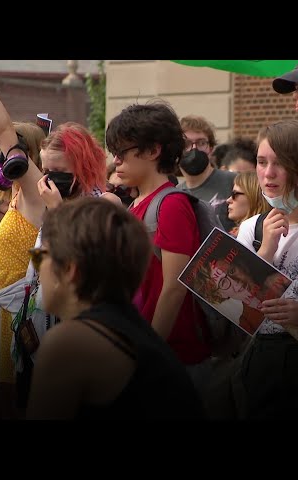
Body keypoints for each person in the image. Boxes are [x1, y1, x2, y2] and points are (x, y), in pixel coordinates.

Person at [26, 197, 206, 419]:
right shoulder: (133, 330)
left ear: (70, 270)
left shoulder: (70, 342)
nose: (36, 267)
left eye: (39, 256)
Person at [106, 101, 212, 390]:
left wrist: (148, 352)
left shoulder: (172, 204)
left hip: (172, 359)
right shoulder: (137, 204)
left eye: (122, 152)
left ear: (153, 151)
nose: (116, 160)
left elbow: (175, 287)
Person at [235, 119, 298, 417]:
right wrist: (266, 249)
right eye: (261, 162)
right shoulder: (252, 227)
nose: (268, 173)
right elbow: (235, 304)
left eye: (280, 163)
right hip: (262, 358)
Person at [177, 115, 236, 232]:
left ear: (211, 148)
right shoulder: (176, 194)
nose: (194, 149)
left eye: (201, 143)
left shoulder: (234, 182)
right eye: (186, 144)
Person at [226, 171, 271, 237]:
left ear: (257, 198)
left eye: (235, 194)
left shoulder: (271, 235)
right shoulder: (235, 234)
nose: (228, 200)